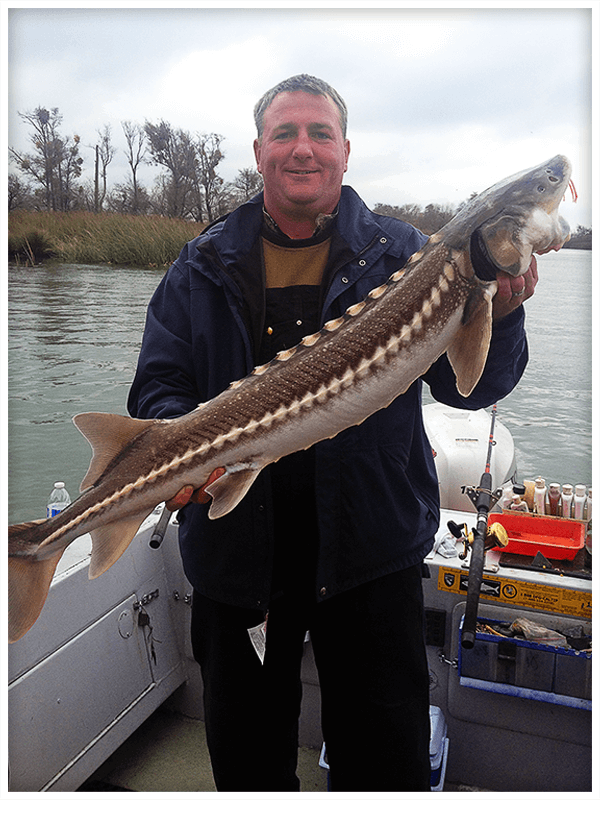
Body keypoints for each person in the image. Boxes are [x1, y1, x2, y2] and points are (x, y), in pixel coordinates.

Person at [127, 75, 535, 792]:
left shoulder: (407, 255)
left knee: (383, 766)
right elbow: (161, 387)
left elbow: (468, 388)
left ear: (346, 152)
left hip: (368, 558)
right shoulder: (202, 262)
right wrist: (183, 458)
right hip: (239, 559)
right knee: (249, 765)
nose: (303, 149)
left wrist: (500, 314)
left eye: (320, 134)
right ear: (258, 152)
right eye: (285, 134)